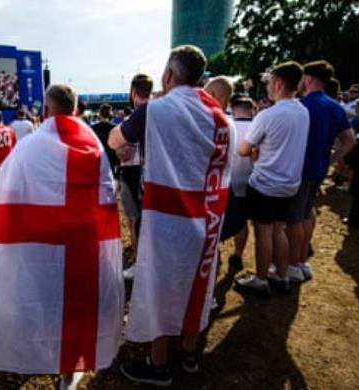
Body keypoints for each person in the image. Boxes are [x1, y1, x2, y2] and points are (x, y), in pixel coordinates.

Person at [109, 45, 232, 385]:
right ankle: (190, 354)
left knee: (160, 289)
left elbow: (115, 138)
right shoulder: (223, 119)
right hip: (207, 219)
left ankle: (159, 364)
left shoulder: (155, 110)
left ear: (168, 75)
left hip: (167, 217)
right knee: (198, 285)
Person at [0, 84, 124, 390]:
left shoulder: (27, 146)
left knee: (44, 299)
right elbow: (106, 192)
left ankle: (41, 356)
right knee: (77, 304)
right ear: (75, 109)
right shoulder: (93, 144)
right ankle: (68, 371)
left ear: (46, 111)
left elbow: (8, 187)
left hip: (42, 241)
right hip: (83, 242)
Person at [233, 61, 310, 297]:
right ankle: (282, 276)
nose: (266, 87)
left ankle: (261, 279)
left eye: (268, 82)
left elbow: (244, 150)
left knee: (264, 233)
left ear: (277, 83)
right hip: (290, 184)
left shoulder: (268, 115)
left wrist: (257, 150)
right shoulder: (303, 111)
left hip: (265, 184)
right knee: (279, 230)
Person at [285, 61, 355, 282]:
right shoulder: (335, 107)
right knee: (307, 214)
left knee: (295, 220)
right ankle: (301, 261)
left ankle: (293, 265)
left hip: (299, 169)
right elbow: (349, 139)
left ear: (307, 79)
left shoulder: (302, 105)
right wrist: (331, 160)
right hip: (318, 169)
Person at [115, 73, 154, 281]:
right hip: (155, 174)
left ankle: (140, 263)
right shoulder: (162, 111)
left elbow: (121, 148)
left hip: (135, 173)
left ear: (133, 92)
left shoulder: (139, 115)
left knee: (135, 218)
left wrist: (119, 151)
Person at [221, 97, 256, 269]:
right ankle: (238, 255)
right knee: (244, 223)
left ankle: (217, 252)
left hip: (228, 182)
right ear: (252, 110)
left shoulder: (227, 125)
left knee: (223, 220)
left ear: (233, 110)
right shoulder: (258, 126)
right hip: (252, 182)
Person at [91, 103, 119, 173]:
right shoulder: (115, 128)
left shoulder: (93, 128)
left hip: (98, 157)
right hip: (111, 158)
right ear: (110, 114)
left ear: (100, 114)